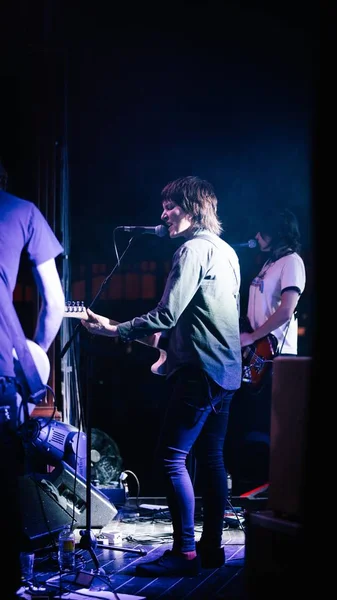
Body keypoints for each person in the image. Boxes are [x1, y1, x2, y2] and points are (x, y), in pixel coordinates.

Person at [81, 175, 242, 577]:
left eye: (171, 206)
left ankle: (184, 553)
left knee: (171, 460)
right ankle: (210, 550)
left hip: (200, 372)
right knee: (212, 460)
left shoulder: (191, 251)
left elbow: (167, 314)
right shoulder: (226, 252)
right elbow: (203, 319)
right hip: (225, 373)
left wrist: (114, 329)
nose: (163, 214)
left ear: (193, 208)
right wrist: (143, 333)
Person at [0, 160, 65, 598]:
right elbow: (54, 304)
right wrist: (34, 356)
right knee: (8, 478)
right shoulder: (23, 211)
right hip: (2, 364)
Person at [226, 208, 306, 491]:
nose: (257, 236)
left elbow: (286, 311)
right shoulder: (269, 263)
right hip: (258, 351)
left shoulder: (292, 262)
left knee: (274, 426)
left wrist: (252, 336)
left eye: (263, 232)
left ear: (278, 233)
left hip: (277, 355)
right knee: (253, 423)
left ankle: (281, 491)